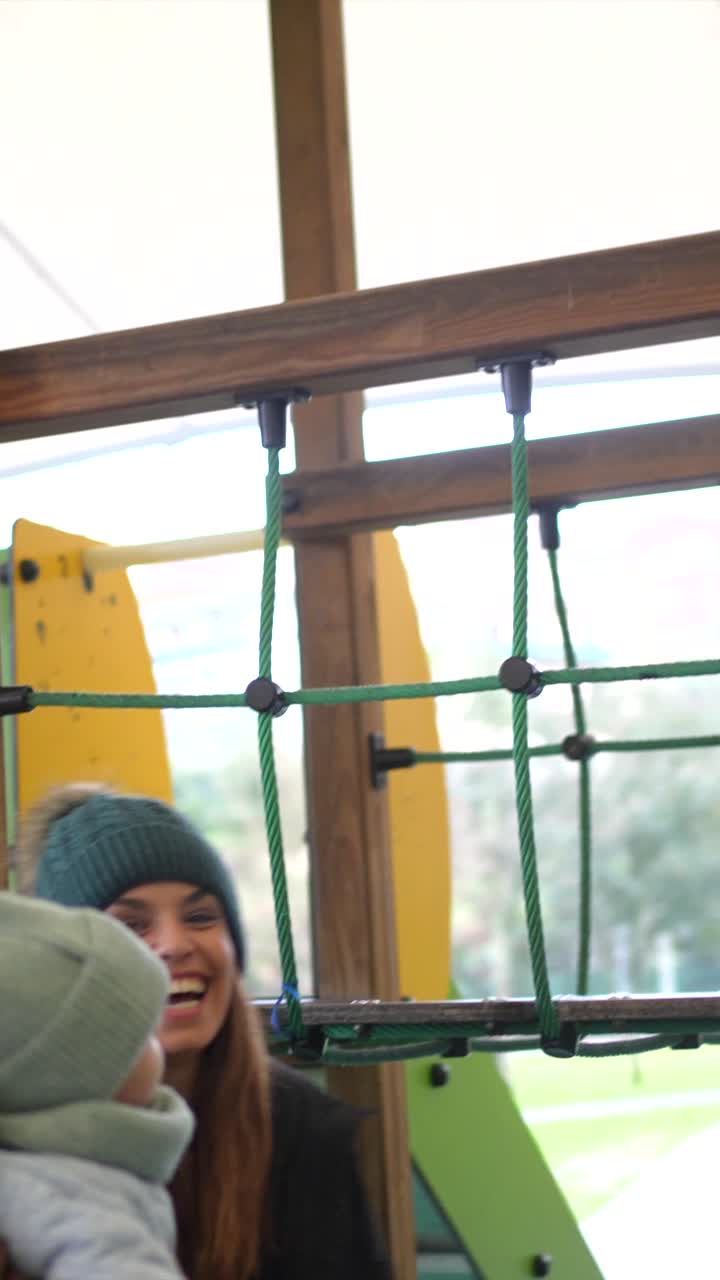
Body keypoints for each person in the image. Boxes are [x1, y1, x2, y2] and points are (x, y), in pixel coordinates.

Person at [10, 783, 393, 1280]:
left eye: (200, 917)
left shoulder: (302, 1134)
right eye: (130, 925)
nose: (173, 944)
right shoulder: (22, 1141)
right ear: (73, 974)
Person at [0, 890, 194, 1279]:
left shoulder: (82, 1157)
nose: (159, 1044)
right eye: (142, 1037)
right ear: (76, 1076)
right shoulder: (56, 1185)